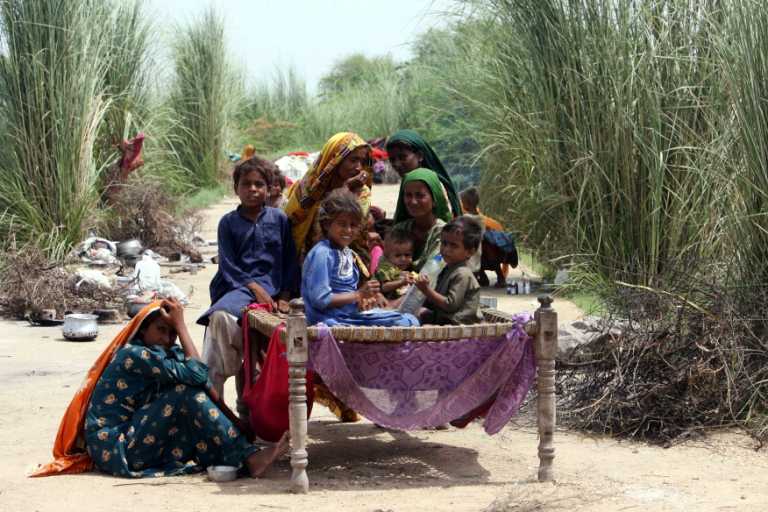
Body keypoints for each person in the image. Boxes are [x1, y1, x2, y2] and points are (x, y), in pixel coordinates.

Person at [32, 300, 287, 479]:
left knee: (189, 399)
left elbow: (204, 383)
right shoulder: (136, 355)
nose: (168, 338)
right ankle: (250, 459)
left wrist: (235, 422)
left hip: (138, 432)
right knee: (183, 394)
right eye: (161, 330)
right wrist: (182, 326)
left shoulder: (163, 352)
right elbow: (197, 373)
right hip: (116, 445)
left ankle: (242, 456)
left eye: (172, 332)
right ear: (143, 330)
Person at [197, 156, 299, 417]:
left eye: (258, 184)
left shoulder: (279, 220)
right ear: (236, 188)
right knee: (219, 318)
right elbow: (228, 266)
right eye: (246, 184)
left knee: (262, 346)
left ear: (269, 188)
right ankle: (215, 408)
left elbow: (289, 260)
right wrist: (255, 288)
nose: (252, 189)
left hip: (274, 290)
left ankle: (251, 410)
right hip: (236, 289)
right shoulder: (227, 223)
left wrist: (286, 294)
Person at [301, 189, 419, 327]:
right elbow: (320, 299)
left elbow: (347, 292)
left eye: (353, 225)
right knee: (407, 322)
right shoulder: (323, 253)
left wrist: (365, 299)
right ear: (327, 224)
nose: (348, 230)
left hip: (348, 315)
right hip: (330, 319)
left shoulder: (347, 253)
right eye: (342, 224)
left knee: (410, 319)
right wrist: (359, 295)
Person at [284, 132, 373, 261]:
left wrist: (346, 189)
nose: (359, 168)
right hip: (302, 261)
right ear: (335, 159)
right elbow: (290, 222)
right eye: (353, 160)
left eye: (362, 161)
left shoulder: (361, 193)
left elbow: (347, 229)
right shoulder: (308, 186)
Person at [416, 216, 484, 325]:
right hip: (445, 318)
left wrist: (426, 290)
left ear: (470, 252)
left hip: (459, 323)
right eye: (444, 243)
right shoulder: (447, 269)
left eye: (454, 246)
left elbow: (450, 305)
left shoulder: (463, 273)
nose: (446, 249)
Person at [386, 129, 462, 220]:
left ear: (419, 156)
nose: (397, 164)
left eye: (402, 157)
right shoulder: (409, 180)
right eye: (392, 160)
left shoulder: (434, 184)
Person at [392, 168, 452, 271]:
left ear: (434, 200)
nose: (413, 201)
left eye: (420, 195)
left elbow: (434, 268)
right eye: (408, 195)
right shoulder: (399, 230)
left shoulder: (444, 233)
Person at [460, 186, 518, 287]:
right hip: (482, 249)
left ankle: (484, 279)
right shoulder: (481, 219)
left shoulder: (466, 218)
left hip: (477, 250)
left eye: (463, 202)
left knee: (470, 259)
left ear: (466, 205)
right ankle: (484, 278)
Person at [375, 227, 416, 303]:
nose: (403, 259)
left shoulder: (409, 268)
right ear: (387, 256)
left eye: (407, 255)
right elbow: (384, 287)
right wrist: (402, 282)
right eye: (397, 255)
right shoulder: (385, 268)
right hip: (385, 302)